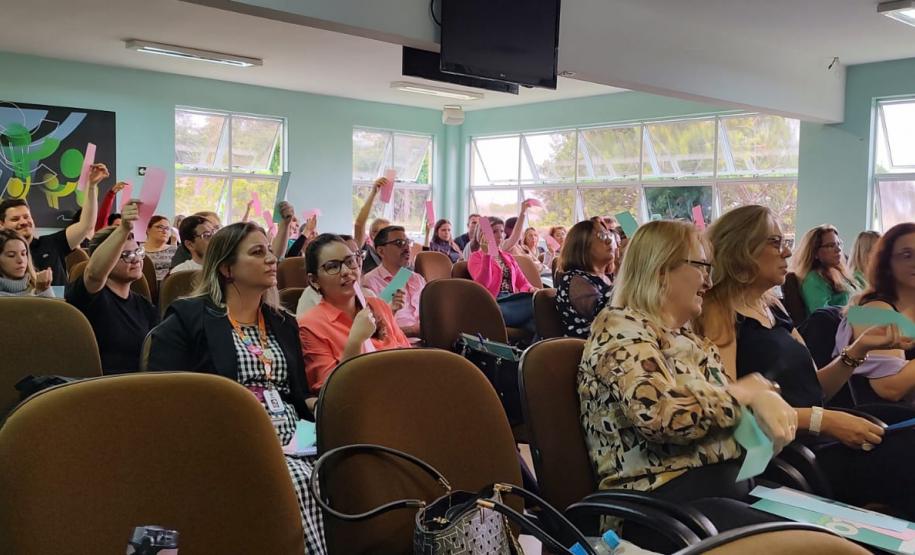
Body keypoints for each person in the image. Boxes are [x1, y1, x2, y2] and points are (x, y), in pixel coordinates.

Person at [698, 205, 915, 518]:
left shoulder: (772, 307)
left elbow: (816, 388)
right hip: (784, 457)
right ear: (741, 250)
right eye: (775, 243)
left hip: (816, 440)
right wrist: (823, 420)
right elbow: (734, 411)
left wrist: (858, 349)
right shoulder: (719, 312)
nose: (787, 251)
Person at [579, 219, 795, 531]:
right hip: (658, 509)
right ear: (661, 270)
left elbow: (727, 422)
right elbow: (659, 416)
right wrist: (744, 394)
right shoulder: (620, 327)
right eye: (702, 267)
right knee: (820, 546)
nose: (709, 281)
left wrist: (764, 420)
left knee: (835, 533)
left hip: (715, 495)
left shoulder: (691, 341)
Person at [145, 221, 326, 554]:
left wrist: (333, 406)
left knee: (354, 466)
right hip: (231, 436)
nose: (272, 259)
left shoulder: (282, 323)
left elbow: (299, 395)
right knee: (300, 480)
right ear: (227, 268)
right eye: (258, 253)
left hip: (295, 438)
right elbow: (164, 396)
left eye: (270, 250)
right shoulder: (190, 318)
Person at [298, 234, 410, 394]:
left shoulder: (378, 305)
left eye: (350, 262)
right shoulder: (310, 326)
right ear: (314, 280)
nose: (345, 271)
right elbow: (330, 392)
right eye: (332, 267)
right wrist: (355, 342)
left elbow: (409, 356)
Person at [66, 202, 158, 374]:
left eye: (138, 252)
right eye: (127, 255)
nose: (136, 259)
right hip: (100, 386)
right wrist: (123, 229)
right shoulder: (90, 295)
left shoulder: (144, 306)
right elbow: (94, 273)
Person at [838, 223, 915, 403]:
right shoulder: (873, 311)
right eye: (907, 255)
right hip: (893, 424)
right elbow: (890, 388)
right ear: (887, 264)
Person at [0, 163, 107, 285]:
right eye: (15, 219)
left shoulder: (51, 243)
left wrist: (92, 186)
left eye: (26, 217)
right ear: (1, 224)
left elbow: (86, 225)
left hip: (57, 303)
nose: (24, 222)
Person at [467, 217, 537, 331]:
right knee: (539, 305)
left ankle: (531, 349)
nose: (500, 235)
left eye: (502, 231)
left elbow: (523, 282)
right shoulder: (476, 257)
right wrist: (487, 255)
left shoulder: (508, 257)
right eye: (494, 231)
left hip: (513, 300)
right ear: (483, 235)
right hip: (494, 304)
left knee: (538, 323)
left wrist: (531, 289)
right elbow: (482, 286)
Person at [362, 225, 426, 341]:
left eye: (408, 242)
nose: (407, 248)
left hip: (430, 343)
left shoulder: (418, 279)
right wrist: (412, 330)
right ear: (381, 251)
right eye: (400, 243)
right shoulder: (369, 283)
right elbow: (375, 333)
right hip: (395, 348)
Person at [555, 220, 616, 338]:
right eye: (602, 236)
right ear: (582, 244)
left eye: (609, 235)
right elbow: (608, 317)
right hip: (588, 349)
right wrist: (628, 267)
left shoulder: (607, 277)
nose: (609, 241)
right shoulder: (575, 279)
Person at [792, 224, 858, 315]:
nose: (838, 249)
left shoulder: (841, 273)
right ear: (815, 252)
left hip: (857, 321)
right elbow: (823, 317)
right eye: (831, 246)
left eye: (839, 244)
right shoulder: (813, 279)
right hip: (841, 325)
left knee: (884, 316)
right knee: (883, 319)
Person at [353, 176, 390, 274]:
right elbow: (359, 224)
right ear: (373, 234)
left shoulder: (394, 256)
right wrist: (374, 193)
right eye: (385, 232)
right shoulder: (365, 252)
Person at [0, 229, 54, 297]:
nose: (21, 260)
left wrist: (43, 291)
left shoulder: (39, 287)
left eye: (23, 254)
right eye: (11, 255)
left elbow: (53, 307)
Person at [144, 215, 178, 282]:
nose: (164, 231)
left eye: (167, 228)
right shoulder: (139, 252)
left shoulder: (176, 251)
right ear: (148, 229)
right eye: (160, 227)